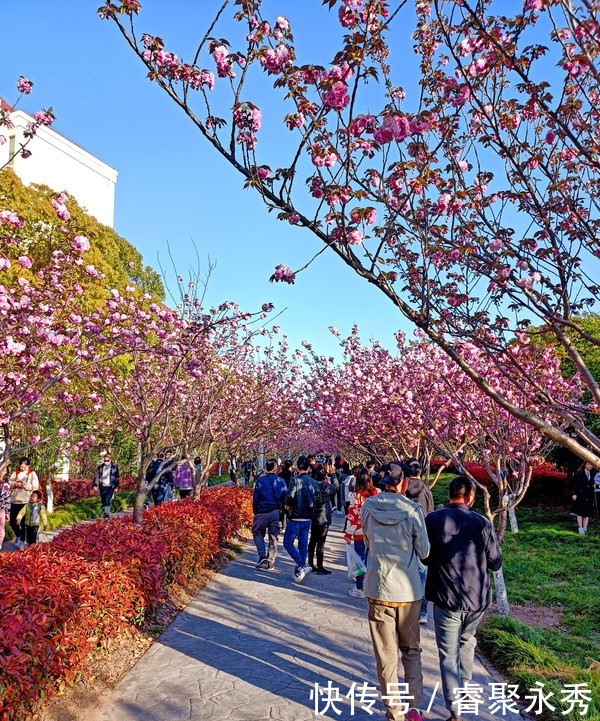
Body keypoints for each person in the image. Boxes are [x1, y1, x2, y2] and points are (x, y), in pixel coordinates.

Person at [424, 476, 502, 721]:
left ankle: (456, 712)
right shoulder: (482, 522)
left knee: (448, 654)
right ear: (470, 497)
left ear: (449, 495)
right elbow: (495, 561)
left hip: (446, 599)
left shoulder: (433, 520)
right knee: (467, 643)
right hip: (477, 599)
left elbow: (425, 557)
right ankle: (465, 689)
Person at [361, 461, 430, 721]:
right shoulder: (412, 510)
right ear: (402, 483)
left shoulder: (369, 507)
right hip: (409, 592)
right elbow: (424, 552)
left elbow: (367, 541)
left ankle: (394, 713)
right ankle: (415, 708)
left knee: (386, 657)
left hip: (379, 589)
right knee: (411, 651)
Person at [404, 461, 434, 625]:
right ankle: (421, 612)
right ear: (421, 472)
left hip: (405, 537)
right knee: (422, 574)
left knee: (406, 572)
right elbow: (430, 513)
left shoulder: (403, 489)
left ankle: (406, 607)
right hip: (423, 536)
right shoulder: (426, 491)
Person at [283, 455, 319, 583]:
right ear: (309, 468)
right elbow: (318, 499)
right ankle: (299, 569)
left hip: (296, 517)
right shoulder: (314, 482)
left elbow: (291, 496)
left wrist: (287, 504)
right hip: (307, 518)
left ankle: (302, 565)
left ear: (298, 467)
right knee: (303, 543)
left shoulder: (295, 480)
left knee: (287, 542)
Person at [344, 469, 380, 598]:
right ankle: (371, 586)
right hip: (374, 532)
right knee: (371, 561)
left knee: (359, 561)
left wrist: (348, 534)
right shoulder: (377, 494)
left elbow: (352, 517)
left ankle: (360, 588)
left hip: (359, 533)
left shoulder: (355, 496)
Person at [252, 459, 287, 570]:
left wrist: (255, 511)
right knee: (273, 537)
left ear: (265, 468)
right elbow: (285, 497)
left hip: (262, 511)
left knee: (257, 533)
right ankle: (270, 561)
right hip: (275, 512)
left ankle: (262, 555)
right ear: (276, 469)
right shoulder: (280, 481)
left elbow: (255, 498)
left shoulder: (260, 481)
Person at [308, 464, 338, 574]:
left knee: (312, 541)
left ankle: (310, 564)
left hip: (313, 516)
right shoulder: (326, 486)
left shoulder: (311, 485)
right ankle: (320, 566)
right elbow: (337, 487)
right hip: (324, 518)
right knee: (321, 543)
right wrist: (333, 474)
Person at [9, 457, 39, 548]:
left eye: (23, 467)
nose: (21, 468)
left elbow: (35, 486)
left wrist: (23, 485)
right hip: (14, 501)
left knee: (22, 523)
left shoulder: (32, 473)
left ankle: (22, 541)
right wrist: (14, 484)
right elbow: (9, 483)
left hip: (25, 501)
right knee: (12, 522)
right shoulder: (15, 472)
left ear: (28, 465)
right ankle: (18, 535)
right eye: (20, 466)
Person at [93, 452, 120, 518]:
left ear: (110, 460)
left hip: (110, 487)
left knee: (107, 500)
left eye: (107, 461)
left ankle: (106, 515)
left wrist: (116, 487)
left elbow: (117, 478)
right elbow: (96, 476)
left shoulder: (114, 467)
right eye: (105, 460)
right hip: (103, 487)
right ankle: (105, 511)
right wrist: (95, 485)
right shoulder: (100, 467)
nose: (106, 462)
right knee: (103, 501)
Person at [571, 462, 596, 534]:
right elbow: (575, 484)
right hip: (581, 494)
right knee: (580, 511)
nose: (590, 466)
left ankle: (585, 528)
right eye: (588, 464)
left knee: (587, 512)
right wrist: (574, 493)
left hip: (589, 495)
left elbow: (591, 483)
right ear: (585, 464)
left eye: (591, 465)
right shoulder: (580, 473)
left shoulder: (592, 473)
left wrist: (593, 486)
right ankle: (580, 528)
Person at [0, 468, 10, 549]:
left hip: (1, 509)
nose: (1, 471)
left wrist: (7, 512)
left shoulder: (6, 484)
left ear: (6, 472)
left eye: (3, 470)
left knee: (1, 529)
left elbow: (7, 498)